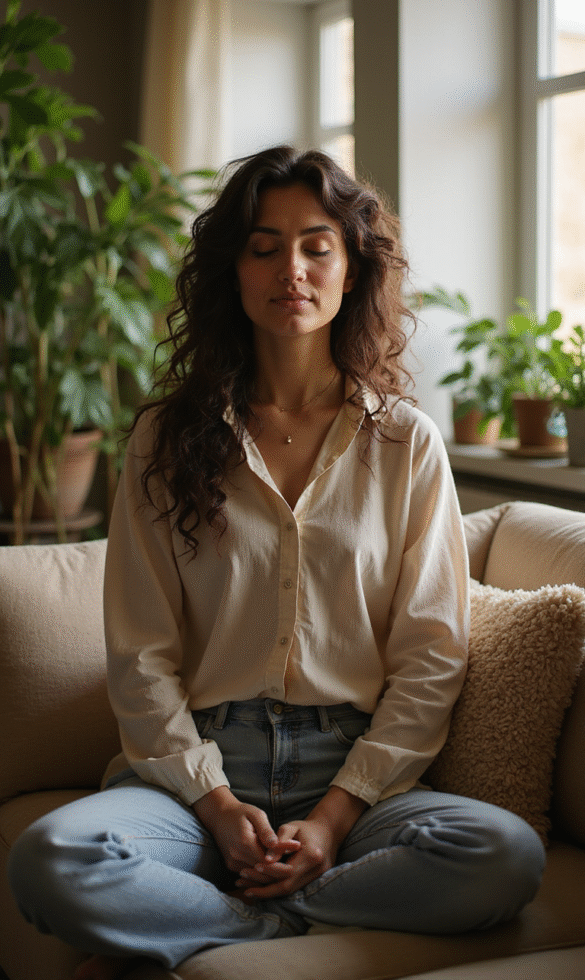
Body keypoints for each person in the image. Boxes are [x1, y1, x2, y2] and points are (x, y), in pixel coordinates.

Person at [8, 146, 545, 980]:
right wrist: (215, 806)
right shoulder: (164, 439)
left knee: (503, 854)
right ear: (233, 270)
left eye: (315, 245)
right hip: (195, 777)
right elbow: (140, 654)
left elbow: (432, 654)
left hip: (353, 772)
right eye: (264, 246)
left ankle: (221, 922)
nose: (289, 269)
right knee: (50, 861)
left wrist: (334, 819)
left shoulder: (406, 444)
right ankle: (258, 924)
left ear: (351, 266)